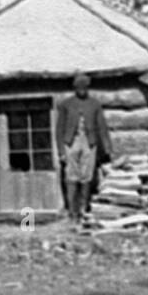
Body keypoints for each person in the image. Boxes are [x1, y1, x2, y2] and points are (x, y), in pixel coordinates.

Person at [55, 73, 113, 224]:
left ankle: (84, 209)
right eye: (79, 87)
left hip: (89, 141)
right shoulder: (66, 104)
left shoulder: (94, 104)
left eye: (85, 87)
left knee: (87, 175)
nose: (82, 90)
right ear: (74, 88)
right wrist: (61, 150)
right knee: (71, 175)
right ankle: (72, 212)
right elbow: (59, 128)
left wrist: (106, 147)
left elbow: (102, 126)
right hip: (71, 142)